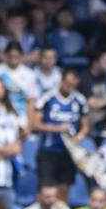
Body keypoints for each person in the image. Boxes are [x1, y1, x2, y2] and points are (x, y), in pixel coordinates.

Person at [30, 69, 88, 198]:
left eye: (73, 84)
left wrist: (80, 136)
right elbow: (35, 124)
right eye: (67, 83)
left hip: (68, 152)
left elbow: (85, 126)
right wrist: (58, 128)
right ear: (61, 80)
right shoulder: (48, 97)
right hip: (48, 150)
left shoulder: (80, 100)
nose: (69, 87)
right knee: (46, 190)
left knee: (64, 189)